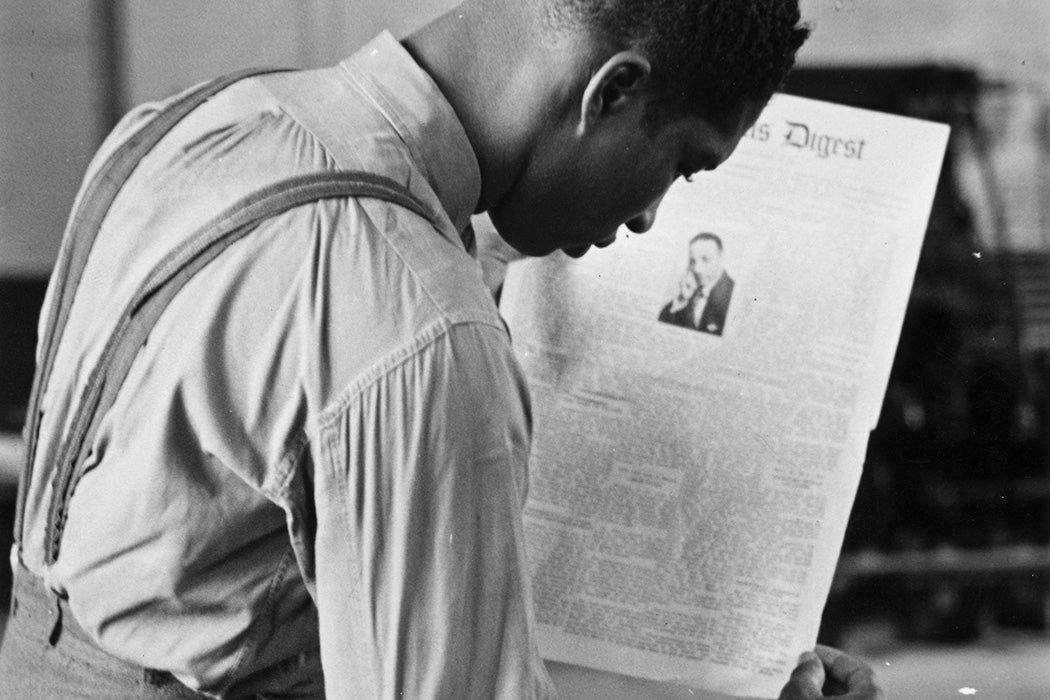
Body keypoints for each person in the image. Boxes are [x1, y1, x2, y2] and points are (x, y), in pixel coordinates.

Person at [0, 1, 882, 699]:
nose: (651, 215)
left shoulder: (191, 122)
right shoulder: (420, 326)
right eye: (685, 163)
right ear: (610, 90)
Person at [659, 232, 735, 335]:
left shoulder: (733, 295)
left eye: (705, 259)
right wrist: (681, 300)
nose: (697, 269)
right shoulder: (690, 291)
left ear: (721, 258)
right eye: (693, 261)